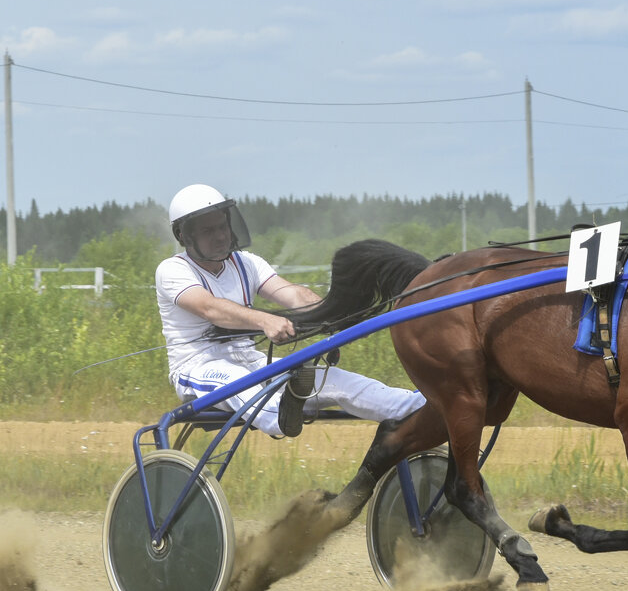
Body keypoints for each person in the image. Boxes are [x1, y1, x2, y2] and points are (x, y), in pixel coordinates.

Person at [155, 183, 426, 437]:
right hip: (199, 368)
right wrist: (265, 321)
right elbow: (210, 308)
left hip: (254, 363)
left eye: (222, 227)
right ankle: (283, 412)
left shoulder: (246, 263)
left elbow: (293, 294)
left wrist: (339, 317)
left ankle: (418, 406)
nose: (220, 236)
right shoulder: (173, 270)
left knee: (339, 382)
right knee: (243, 385)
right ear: (183, 235)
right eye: (208, 231)